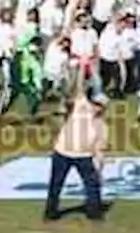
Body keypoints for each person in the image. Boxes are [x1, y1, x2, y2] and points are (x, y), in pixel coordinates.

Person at [43, 72, 107, 222]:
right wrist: (82, 69)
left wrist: (99, 170)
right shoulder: (80, 105)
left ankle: (94, 213)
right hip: (62, 152)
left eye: (101, 106)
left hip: (84, 156)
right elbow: (76, 89)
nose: (98, 108)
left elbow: (100, 150)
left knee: (92, 185)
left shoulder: (101, 126)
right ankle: (50, 213)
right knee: (55, 184)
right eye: (97, 104)